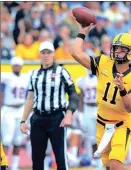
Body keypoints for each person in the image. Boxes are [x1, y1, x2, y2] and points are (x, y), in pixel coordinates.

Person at [71, 22, 131, 170]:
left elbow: (129, 107)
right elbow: (76, 54)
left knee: (115, 164)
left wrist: (122, 89)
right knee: (108, 165)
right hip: (101, 124)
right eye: (116, 47)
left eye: (122, 48)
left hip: (121, 125)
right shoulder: (103, 62)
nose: (117, 51)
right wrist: (82, 32)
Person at [20, 41, 79, 170]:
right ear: (39, 55)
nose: (46, 55)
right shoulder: (34, 74)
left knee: (60, 157)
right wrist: (23, 120)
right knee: (37, 159)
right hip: (38, 118)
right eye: (43, 53)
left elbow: (74, 95)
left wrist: (68, 114)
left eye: (49, 53)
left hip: (56, 117)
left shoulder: (62, 72)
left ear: (53, 54)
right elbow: (30, 98)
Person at [0, 57, 28, 170]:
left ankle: (15, 166)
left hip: (20, 109)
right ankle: (4, 165)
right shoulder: (6, 77)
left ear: (21, 66)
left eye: (18, 65)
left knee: (18, 140)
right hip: (8, 109)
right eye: (15, 65)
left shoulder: (26, 78)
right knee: (6, 140)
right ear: (11, 66)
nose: (16, 67)